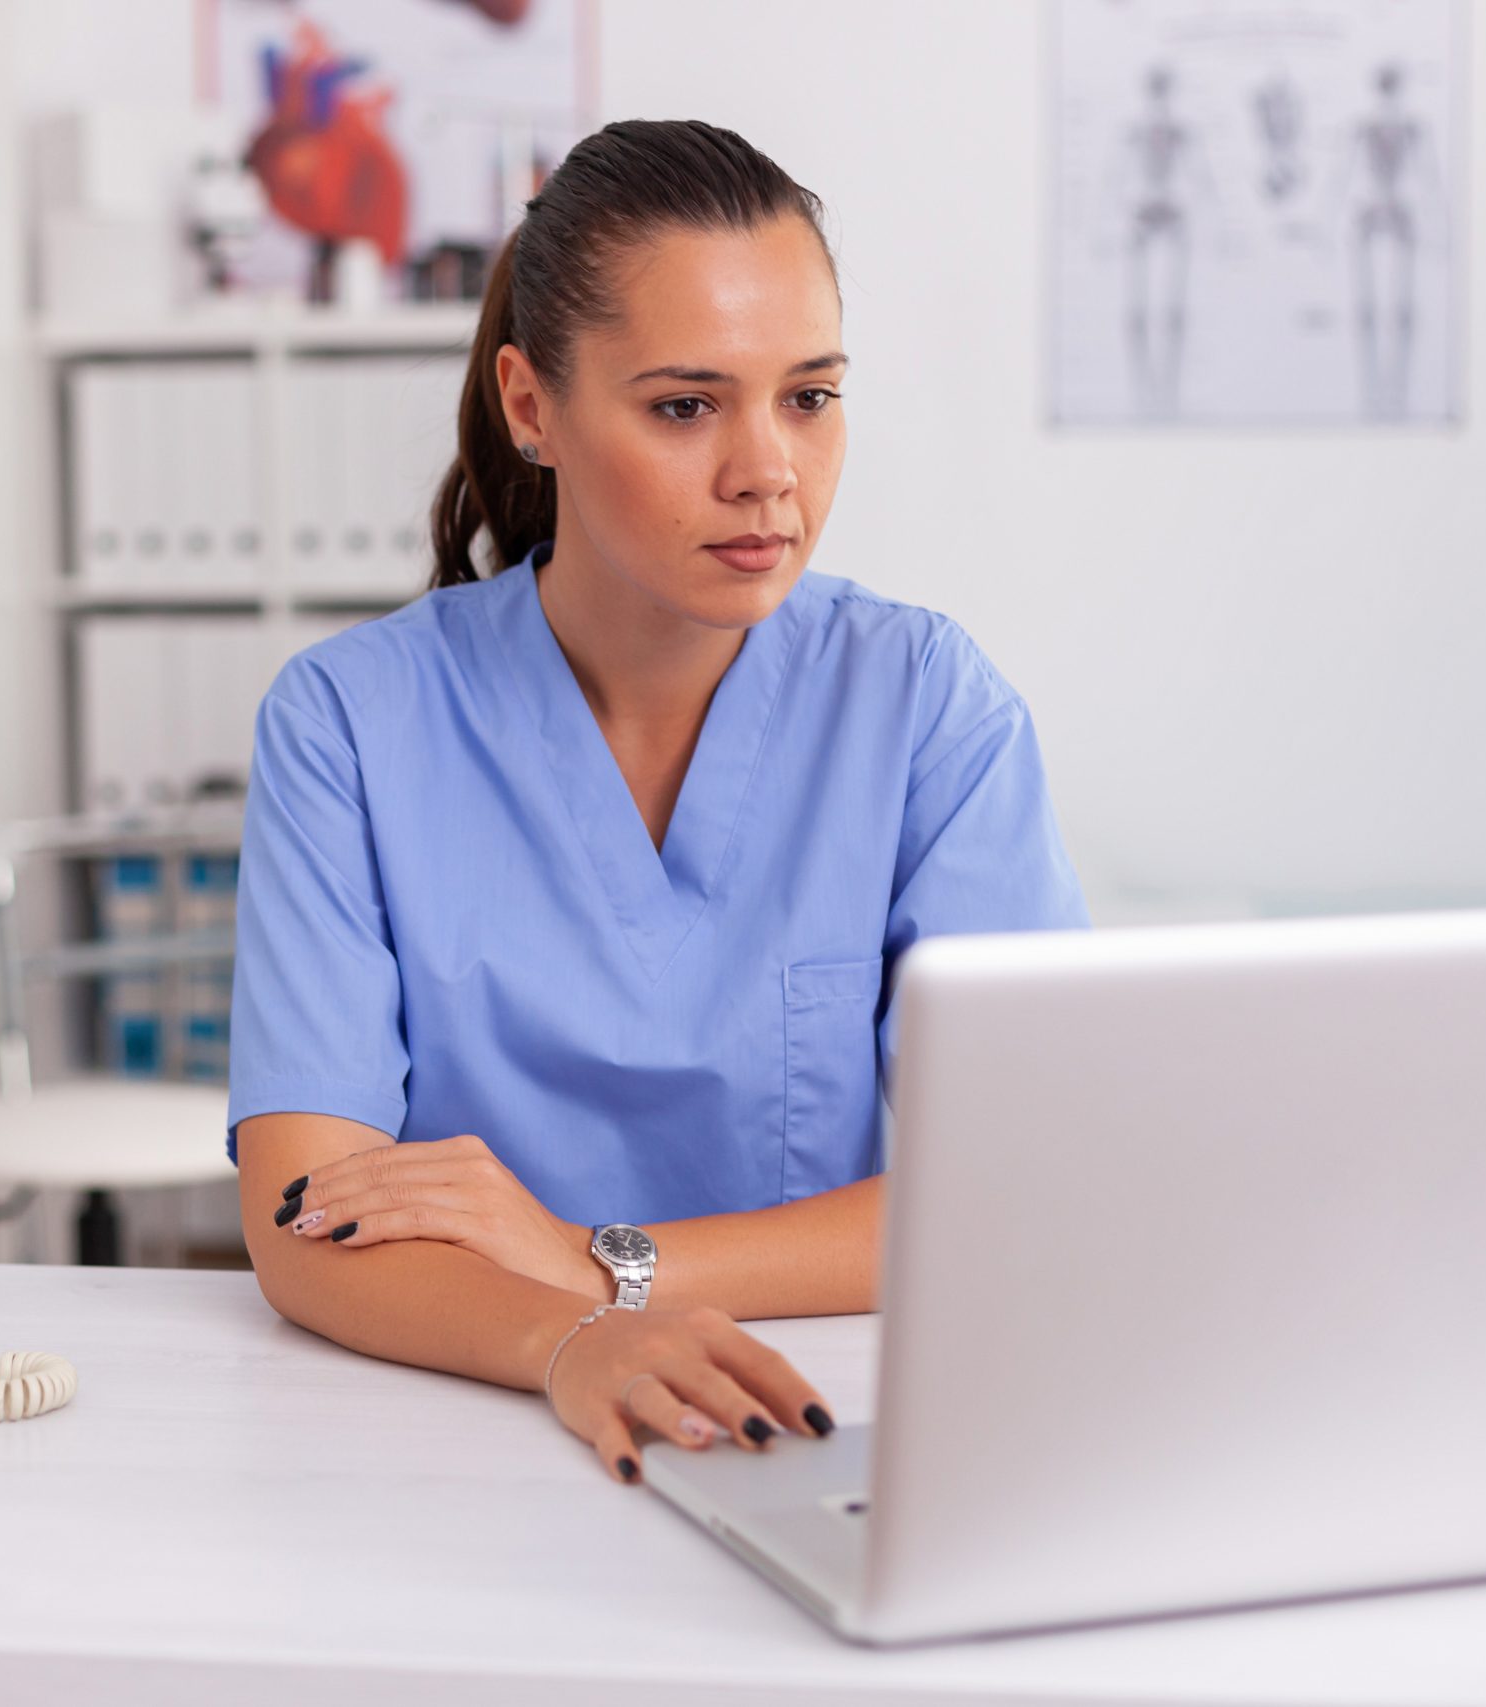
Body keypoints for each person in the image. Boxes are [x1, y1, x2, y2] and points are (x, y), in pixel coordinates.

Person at [231, 119, 1087, 1484]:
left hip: (837, 1421)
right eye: (687, 406)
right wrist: (567, 1343)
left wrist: (600, 1266)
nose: (768, 472)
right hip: (452, 1424)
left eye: (809, 396)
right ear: (532, 407)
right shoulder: (350, 722)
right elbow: (298, 1219)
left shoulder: (923, 703)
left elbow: (1022, 1188)